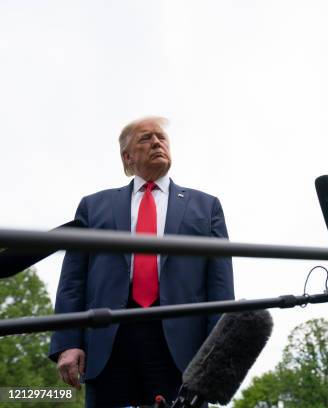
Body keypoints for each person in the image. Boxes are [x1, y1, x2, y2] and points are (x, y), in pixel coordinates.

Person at [48, 116, 234, 407]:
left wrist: (218, 354)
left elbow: (220, 284)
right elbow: (73, 280)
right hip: (108, 342)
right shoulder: (94, 206)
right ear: (127, 156)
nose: (157, 142)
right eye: (146, 138)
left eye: (161, 138)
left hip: (183, 348)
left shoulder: (206, 206)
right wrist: (68, 342)